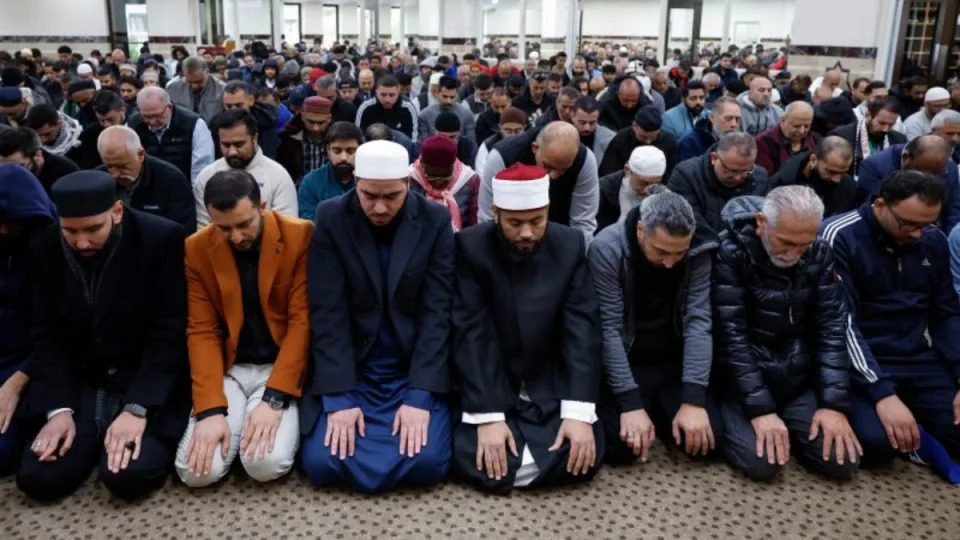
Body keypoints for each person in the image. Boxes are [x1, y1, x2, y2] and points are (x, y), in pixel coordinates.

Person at [16, 170, 189, 501]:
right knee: (39, 479)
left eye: (93, 229)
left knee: (127, 476)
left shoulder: (162, 239)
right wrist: (58, 410)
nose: (82, 242)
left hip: (144, 382)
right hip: (83, 382)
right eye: (70, 231)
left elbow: (169, 332)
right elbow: (47, 334)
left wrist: (137, 408)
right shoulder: (43, 247)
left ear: (117, 212)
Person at [299, 140, 454, 493]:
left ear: (409, 186)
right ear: (355, 182)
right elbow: (327, 312)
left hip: (409, 365)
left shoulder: (435, 220)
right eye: (369, 196)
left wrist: (419, 396)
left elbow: (437, 313)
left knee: (427, 461)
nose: (380, 207)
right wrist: (339, 397)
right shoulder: (331, 216)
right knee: (323, 462)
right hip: (353, 365)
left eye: (391, 197)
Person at [452, 163, 604, 492]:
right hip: (490, 378)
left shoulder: (569, 244)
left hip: (547, 378)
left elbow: (582, 330)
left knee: (578, 449)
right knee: (483, 459)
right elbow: (471, 332)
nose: (526, 233)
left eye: (537, 222)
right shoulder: (470, 246)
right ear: (495, 212)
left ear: (548, 211)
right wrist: (488, 415)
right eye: (514, 223)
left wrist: (578, 411)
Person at [174, 169, 310, 488]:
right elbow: (202, 330)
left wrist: (274, 399)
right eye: (223, 228)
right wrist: (209, 409)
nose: (236, 236)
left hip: (279, 367)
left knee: (265, 464)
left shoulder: (300, 235)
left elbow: (302, 323)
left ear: (263, 206)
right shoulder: (196, 248)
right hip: (230, 368)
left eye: (243, 224)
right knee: (196, 472)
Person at [713, 186, 861, 480]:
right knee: (763, 464)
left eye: (803, 244)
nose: (793, 254)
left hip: (794, 372)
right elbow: (731, 337)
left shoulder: (819, 251)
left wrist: (833, 404)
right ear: (761, 222)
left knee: (841, 461)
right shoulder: (728, 253)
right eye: (785, 242)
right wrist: (760, 409)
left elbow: (831, 327)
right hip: (738, 379)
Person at [824, 171, 960, 469]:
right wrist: (881, 392)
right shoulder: (840, 235)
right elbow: (840, 325)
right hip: (859, 361)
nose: (916, 234)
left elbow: (946, 313)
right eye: (908, 223)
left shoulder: (932, 240)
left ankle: (919, 419)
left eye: (926, 224)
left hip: (915, 356)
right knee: (877, 446)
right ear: (881, 204)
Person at [590, 184, 722, 464]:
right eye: (661, 251)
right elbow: (609, 329)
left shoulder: (700, 248)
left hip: (672, 362)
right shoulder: (607, 248)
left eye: (679, 253)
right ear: (640, 230)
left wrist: (694, 399)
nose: (670, 262)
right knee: (621, 448)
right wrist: (630, 403)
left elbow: (699, 321)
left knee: (707, 442)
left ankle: (665, 414)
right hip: (628, 359)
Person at [0, 165, 57, 476]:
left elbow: (62, 331)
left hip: (32, 361)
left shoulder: (54, 249)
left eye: (14, 224)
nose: (6, 232)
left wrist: (17, 381)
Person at [480, 122, 599, 242]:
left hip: (561, 237)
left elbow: (583, 223)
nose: (553, 176)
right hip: (509, 239)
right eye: (548, 166)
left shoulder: (585, 161)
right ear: (535, 148)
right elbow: (488, 219)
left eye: (564, 170)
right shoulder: (502, 157)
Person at [194, 109, 297, 227]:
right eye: (226, 145)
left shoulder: (278, 176)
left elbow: (286, 228)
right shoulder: (206, 177)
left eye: (239, 145)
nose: (232, 152)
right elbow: (202, 228)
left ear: (255, 138)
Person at [667, 132, 771, 239]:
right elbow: (688, 223)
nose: (738, 178)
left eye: (745, 171)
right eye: (731, 171)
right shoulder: (686, 175)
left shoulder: (759, 177)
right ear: (714, 158)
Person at [94, 125, 196, 232]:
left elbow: (182, 231)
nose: (115, 174)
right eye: (109, 166)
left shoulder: (171, 180)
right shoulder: (97, 180)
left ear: (140, 154)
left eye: (122, 167)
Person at [856, 135, 960, 232]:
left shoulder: (948, 168)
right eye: (922, 172)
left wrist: (947, 242)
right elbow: (874, 211)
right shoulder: (875, 166)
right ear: (906, 157)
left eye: (935, 173)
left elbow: (952, 209)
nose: (927, 178)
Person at [128, 87, 214, 184]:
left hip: (183, 187)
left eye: (157, 116)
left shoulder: (194, 125)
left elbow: (201, 167)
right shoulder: (133, 125)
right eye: (146, 117)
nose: (152, 121)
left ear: (169, 107)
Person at [770, 136, 857, 218]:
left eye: (842, 173)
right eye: (831, 172)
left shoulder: (848, 186)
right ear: (813, 160)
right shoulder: (785, 180)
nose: (837, 180)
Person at [408, 135, 479, 231]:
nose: (439, 181)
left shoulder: (469, 180)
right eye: (432, 175)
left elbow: (474, 225)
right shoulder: (410, 179)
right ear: (422, 167)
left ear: (453, 167)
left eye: (445, 175)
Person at [297, 121, 364, 221]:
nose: (343, 158)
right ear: (328, 150)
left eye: (350, 151)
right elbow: (311, 225)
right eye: (337, 151)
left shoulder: (370, 180)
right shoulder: (311, 182)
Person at [596, 145, 667, 233]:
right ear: (627, 170)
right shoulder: (604, 189)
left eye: (655, 183)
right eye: (644, 183)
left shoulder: (664, 191)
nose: (648, 189)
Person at [829, 98, 906, 178]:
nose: (885, 129)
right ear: (868, 115)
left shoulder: (899, 140)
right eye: (882, 123)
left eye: (891, 125)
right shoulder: (842, 136)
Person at [600, 105, 678, 179]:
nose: (648, 142)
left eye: (653, 138)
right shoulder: (621, 140)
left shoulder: (669, 142)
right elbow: (609, 173)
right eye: (643, 137)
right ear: (635, 127)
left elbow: (672, 172)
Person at [0, 126, 78, 192]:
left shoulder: (64, 173)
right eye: (4, 167)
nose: (11, 173)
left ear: (38, 155)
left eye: (20, 167)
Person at [277, 96, 333, 184]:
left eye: (321, 123)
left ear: (329, 119)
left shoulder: (337, 139)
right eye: (311, 122)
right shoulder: (288, 139)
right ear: (303, 116)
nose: (315, 128)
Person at [754, 101, 818, 176]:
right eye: (796, 126)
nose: (802, 131)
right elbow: (766, 180)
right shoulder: (763, 142)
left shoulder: (814, 139)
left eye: (806, 126)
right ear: (782, 120)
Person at [222, 81, 279, 160]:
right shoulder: (218, 126)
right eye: (229, 106)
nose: (233, 110)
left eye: (239, 105)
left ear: (251, 100)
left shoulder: (265, 123)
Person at [677, 96, 743, 161]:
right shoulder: (690, 142)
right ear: (712, 117)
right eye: (728, 118)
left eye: (737, 119)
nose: (734, 124)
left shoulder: (742, 142)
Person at [356, 76, 419, 141]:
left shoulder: (408, 108)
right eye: (383, 95)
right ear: (376, 92)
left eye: (392, 95)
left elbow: (414, 138)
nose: (387, 100)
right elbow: (359, 136)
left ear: (398, 92)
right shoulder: (366, 107)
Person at [167, 56, 225, 126]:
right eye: (189, 82)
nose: (194, 86)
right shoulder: (172, 89)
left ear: (207, 71)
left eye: (199, 82)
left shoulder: (222, 89)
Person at [418, 76, 476, 142]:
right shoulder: (424, 116)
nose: (449, 101)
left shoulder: (467, 115)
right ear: (437, 93)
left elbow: (471, 145)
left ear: (457, 95)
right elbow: (423, 145)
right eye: (445, 96)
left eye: (452, 97)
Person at [476, 106, 526, 182]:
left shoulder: (530, 144)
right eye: (508, 131)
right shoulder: (487, 146)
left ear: (524, 128)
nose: (513, 135)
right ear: (500, 127)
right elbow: (482, 177)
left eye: (517, 131)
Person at [570, 96, 616, 168]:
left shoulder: (610, 139)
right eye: (582, 122)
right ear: (572, 116)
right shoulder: (559, 136)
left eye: (592, 123)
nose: (587, 128)